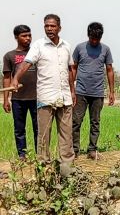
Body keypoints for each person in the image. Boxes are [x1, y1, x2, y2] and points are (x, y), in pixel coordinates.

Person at [11, 14, 75, 164]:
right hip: (46, 98)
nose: (49, 29)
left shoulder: (66, 46)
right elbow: (26, 63)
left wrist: (72, 90)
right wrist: (15, 79)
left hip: (65, 97)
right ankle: (43, 165)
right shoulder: (38, 45)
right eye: (46, 26)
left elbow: (70, 69)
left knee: (67, 135)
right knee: (44, 135)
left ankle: (67, 165)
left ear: (59, 27)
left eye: (52, 26)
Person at [70, 22, 115, 160]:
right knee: (76, 121)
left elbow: (109, 70)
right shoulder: (79, 48)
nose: (94, 41)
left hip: (97, 93)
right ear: (88, 35)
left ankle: (92, 150)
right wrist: (72, 89)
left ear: (101, 37)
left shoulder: (105, 49)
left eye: (97, 39)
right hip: (81, 92)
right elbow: (73, 68)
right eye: (92, 38)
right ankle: (75, 151)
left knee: (95, 122)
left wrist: (112, 91)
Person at [2, 25, 38, 160]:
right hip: (18, 99)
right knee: (19, 129)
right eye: (24, 36)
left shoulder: (36, 53)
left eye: (29, 35)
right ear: (16, 37)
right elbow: (7, 78)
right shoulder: (9, 56)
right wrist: (6, 99)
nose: (28, 38)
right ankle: (22, 156)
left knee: (38, 129)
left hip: (36, 97)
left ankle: (39, 155)